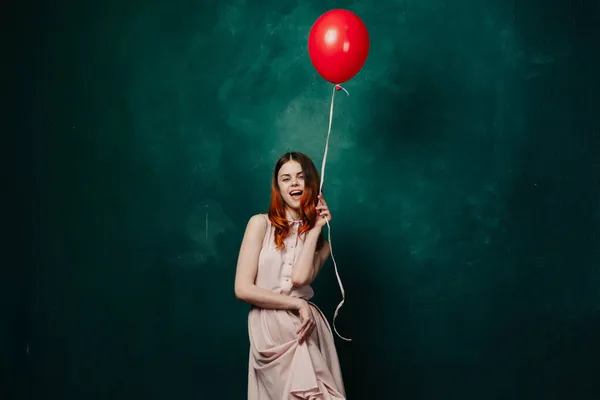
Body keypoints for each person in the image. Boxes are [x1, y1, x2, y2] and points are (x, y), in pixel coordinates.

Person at [234, 151, 346, 399]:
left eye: (301, 177)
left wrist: (316, 228)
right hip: (270, 328)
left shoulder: (321, 243)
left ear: (312, 184)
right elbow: (242, 289)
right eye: (286, 178)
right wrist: (296, 303)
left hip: (304, 327)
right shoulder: (259, 224)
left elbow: (299, 279)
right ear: (278, 187)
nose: (294, 183)